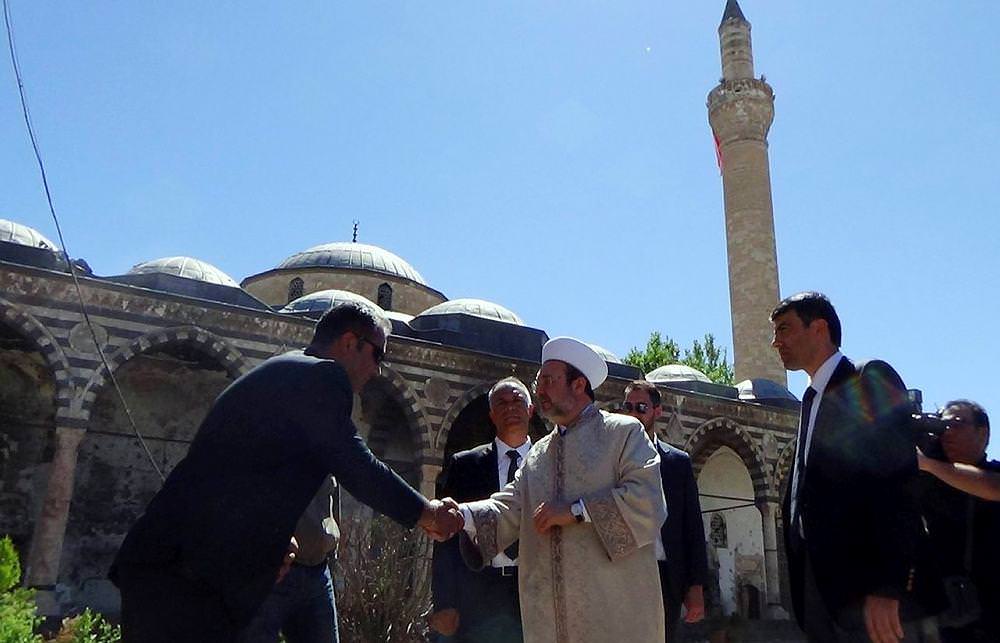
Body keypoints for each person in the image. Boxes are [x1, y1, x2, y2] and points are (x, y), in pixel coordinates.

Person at [110, 302, 462, 643]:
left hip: (182, 569)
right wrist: (427, 513)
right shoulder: (322, 376)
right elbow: (355, 464)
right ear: (349, 342)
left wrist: (268, 541)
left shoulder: (286, 372)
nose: (378, 371)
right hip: (182, 575)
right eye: (378, 355)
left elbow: (240, 477)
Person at [450, 337, 667, 643]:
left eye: (548, 381)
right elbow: (510, 506)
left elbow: (647, 502)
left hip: (614, 617)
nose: (539, 391)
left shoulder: (623, 434)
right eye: (538, 383)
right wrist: (458, 515)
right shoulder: (538, 454)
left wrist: (576, 511)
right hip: (549, 624)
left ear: (578, 385)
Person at [770, 291, 934, 643]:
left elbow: (898, 482)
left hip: (864, 587)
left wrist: (888, 584)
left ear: (819, 328)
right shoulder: (810, 399)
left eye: (784, 329)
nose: (776, 342)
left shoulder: (864, 379)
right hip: (817, 585)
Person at [429, 377, 533, 642]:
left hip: (534, 591)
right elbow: (446, 538)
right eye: (502, 403)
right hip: (479, 593)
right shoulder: (465, 465)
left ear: (530, 410)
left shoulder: (548, 464)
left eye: (517, 401)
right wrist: (444, 601)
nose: (510, 408)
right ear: (492, 414)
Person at [622, 380, 708, 642]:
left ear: (657, 411)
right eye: (628, 407)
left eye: (641, 407)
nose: (634, 414)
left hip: (664, 572)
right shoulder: (612, 459)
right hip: (623, 570)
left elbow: (692, 527)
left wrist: (696, 586)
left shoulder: (676, 462)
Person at [916, 400, 1000, 642]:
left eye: (956, 423)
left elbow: (993, 487)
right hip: (946, 613)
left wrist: (928, 465)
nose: (947, 432)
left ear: (983, 433)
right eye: (942, 425)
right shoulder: (929, 479)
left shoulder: (993, 473)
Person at [237, 477, 341, 643]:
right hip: (276, 573)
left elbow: (332, 500)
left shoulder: (332, 460)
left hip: (319, 572)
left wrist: (333, 550)